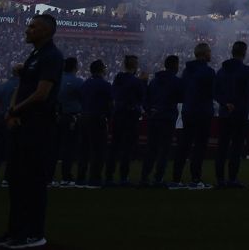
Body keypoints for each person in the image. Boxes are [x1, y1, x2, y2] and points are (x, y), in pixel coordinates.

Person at [0, 12, 63, 250]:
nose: (27, 29)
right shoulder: (34, 56)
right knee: (16, 180)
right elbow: (22, 86)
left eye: (33, 26)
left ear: (46, 31)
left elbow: (42, 93)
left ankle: (34, 233)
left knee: (34, 181)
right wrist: (12, 111)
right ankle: (15, 231)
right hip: (23, 124)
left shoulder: (52, 55)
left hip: (39, 126)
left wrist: (14, 111)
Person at [170, 42, 216, 190]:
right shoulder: (208, 72)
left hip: (188, 111)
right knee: (199, 147)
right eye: (209, 51)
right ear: (204, 54)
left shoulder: (186, 71)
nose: (211, 54)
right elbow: (212, 92)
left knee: (184, 145)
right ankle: (195, 179)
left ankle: (176, 179)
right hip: (202, 112)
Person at [213, 41, 249, 189]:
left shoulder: (221, 71)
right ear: (244, 52)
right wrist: (244, 107)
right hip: (240, 113)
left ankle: (220, 179)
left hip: (224, 114)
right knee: (236, 148)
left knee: (222, 147)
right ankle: (232, 179)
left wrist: (225, 103)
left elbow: (216, 92)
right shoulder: (247, 71)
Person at [141, 55, 181, 187]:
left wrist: (150, 111)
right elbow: (181, 97)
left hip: (154, 118)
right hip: (167, 118)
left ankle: (144, 177)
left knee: (151, 148)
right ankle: (158, 178)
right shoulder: (176, 81)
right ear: (175, 66)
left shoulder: (154, 81)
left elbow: (146, 99)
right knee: (164, 150)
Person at [108, 55, 144, 187]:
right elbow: (141, 97)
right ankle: (123, 177)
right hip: (130, 117)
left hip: (118, 115)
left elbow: (113, 94)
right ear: (134, 65)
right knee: (126, 148)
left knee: (114, 146)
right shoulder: (136, 81)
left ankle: (109, 176)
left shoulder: (118, 78)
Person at [77, 59, 111, 186]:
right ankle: (94, 178)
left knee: (84, 149)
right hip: (97, 119)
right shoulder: (105, 85)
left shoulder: (85, 84)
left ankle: (80, 177)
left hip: (84, 117)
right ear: (101, 70)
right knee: (98, 150)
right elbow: (110, 103)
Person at [51, 57, 82, 186]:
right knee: (68, 148)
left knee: (54, 147)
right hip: (70, 117)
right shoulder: (77, 81)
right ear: (75, 66)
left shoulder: (56, 80)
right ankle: (66, 176)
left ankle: (49, 176)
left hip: (56, 116)